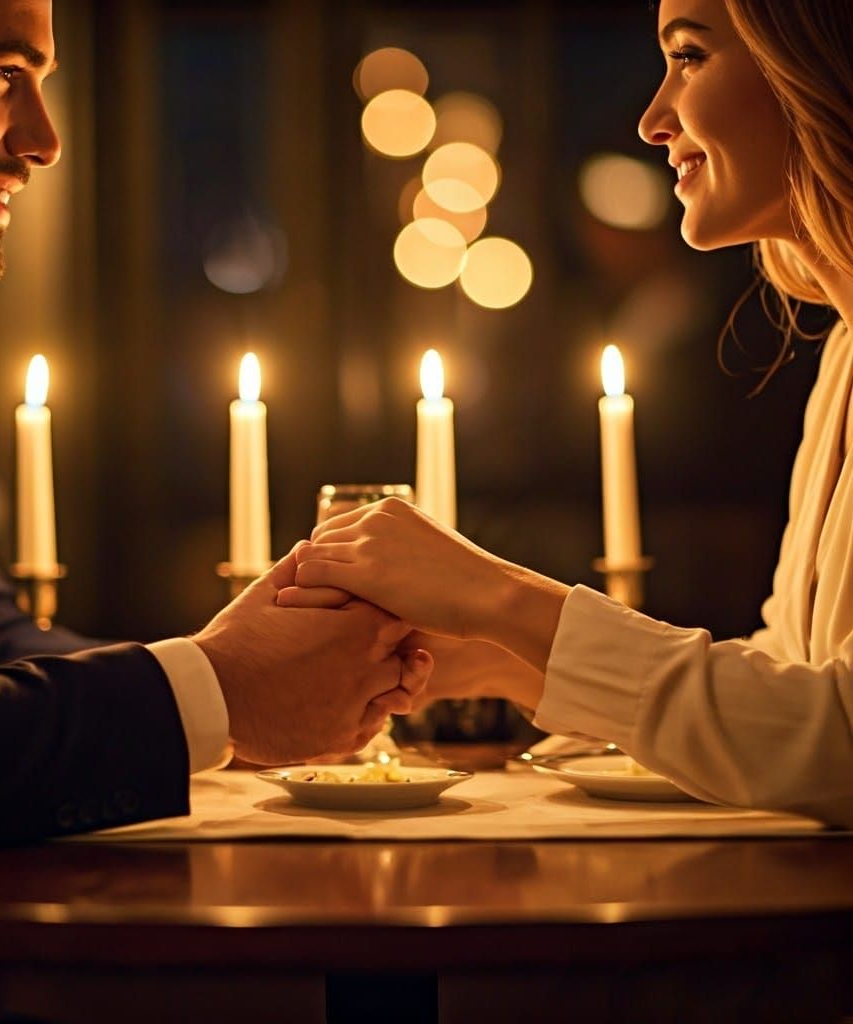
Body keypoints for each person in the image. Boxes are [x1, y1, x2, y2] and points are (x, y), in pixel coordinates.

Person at [0, 0, 432, 861]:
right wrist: (220, 693)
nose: (44, 139)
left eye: (43, 83)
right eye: (1, 74)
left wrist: (262, 667)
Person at [282, 0, 853, 828]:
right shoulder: (842, 357)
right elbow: (789, 681)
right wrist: (513, 661)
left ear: (816, 65)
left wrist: (507, 601)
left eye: (689, 56)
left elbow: (835, 743)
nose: (654, 119)